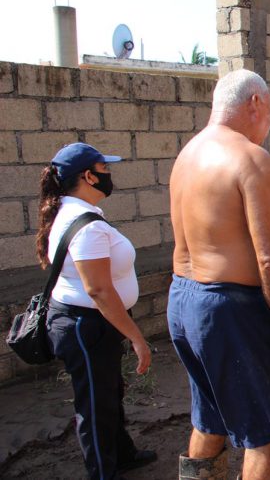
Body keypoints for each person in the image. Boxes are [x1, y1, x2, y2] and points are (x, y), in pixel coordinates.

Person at [167, 70, 270, 480]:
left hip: (183, 301)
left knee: (209, 420)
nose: (269, 121)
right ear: (254, 103)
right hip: (228, 311)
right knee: (264, 437)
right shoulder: (249, 158)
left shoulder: (187, 155)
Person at [40, 142, 156, 480]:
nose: (110, 175)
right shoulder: (85, 224)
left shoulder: (73, 212)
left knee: (108, 391)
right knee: (94, 402)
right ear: (88, 176)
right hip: (86, 325)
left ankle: (122, 454)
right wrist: (137, 338)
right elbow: (99, 290)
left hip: (94, 322)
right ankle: (103, 472)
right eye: (105, 170)